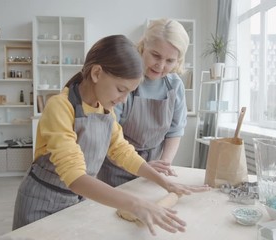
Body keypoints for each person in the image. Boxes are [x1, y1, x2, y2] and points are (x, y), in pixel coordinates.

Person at [12, 35, 209, 236]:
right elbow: (75, 177)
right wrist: (136, 203)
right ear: (97, 73)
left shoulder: (105, 111)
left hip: (75, 202)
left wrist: (165, 183)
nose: (123, 100)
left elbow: (123, 152)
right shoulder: (61, 107)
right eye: (121, 90)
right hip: (41, 203)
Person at [98, 19, 190, 187]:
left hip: (152, 172)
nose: (160, 65)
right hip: (115, 170)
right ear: (143, 47)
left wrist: (164, 164)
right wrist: (140, 166)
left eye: (170, 61)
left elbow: (175, 132)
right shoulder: (125, 81)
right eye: (156, 55)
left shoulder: (175, 86)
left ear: (178, 61)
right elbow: (106, 135)